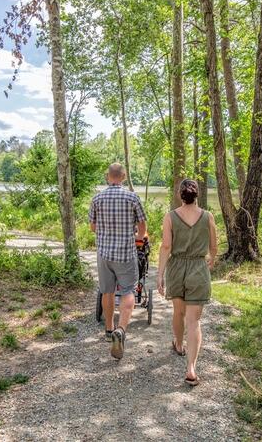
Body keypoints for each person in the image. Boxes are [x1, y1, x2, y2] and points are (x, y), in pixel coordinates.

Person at [157, 179, 217, 386]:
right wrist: (210, 261)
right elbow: (214, 247)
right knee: (194, 321)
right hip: (198, 268)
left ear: (179, 195)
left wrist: (160, 274)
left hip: (176, 269)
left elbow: (166, 247)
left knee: (178, 312)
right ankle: (191, 368)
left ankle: (179, 345)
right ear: (197, 194)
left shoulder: (170, 217)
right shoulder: (208, 216)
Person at [89, 163, 147, 360]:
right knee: (128, 290)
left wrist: (106, 234)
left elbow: (92, 227)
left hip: (104, 254)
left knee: (107, 291)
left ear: (108, 177)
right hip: (125, 253)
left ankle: (108, 329)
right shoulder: (132, 197)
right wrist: (138, 236)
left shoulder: (97, 198)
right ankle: (121, 329)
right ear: (123, 176)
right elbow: (142, 226)